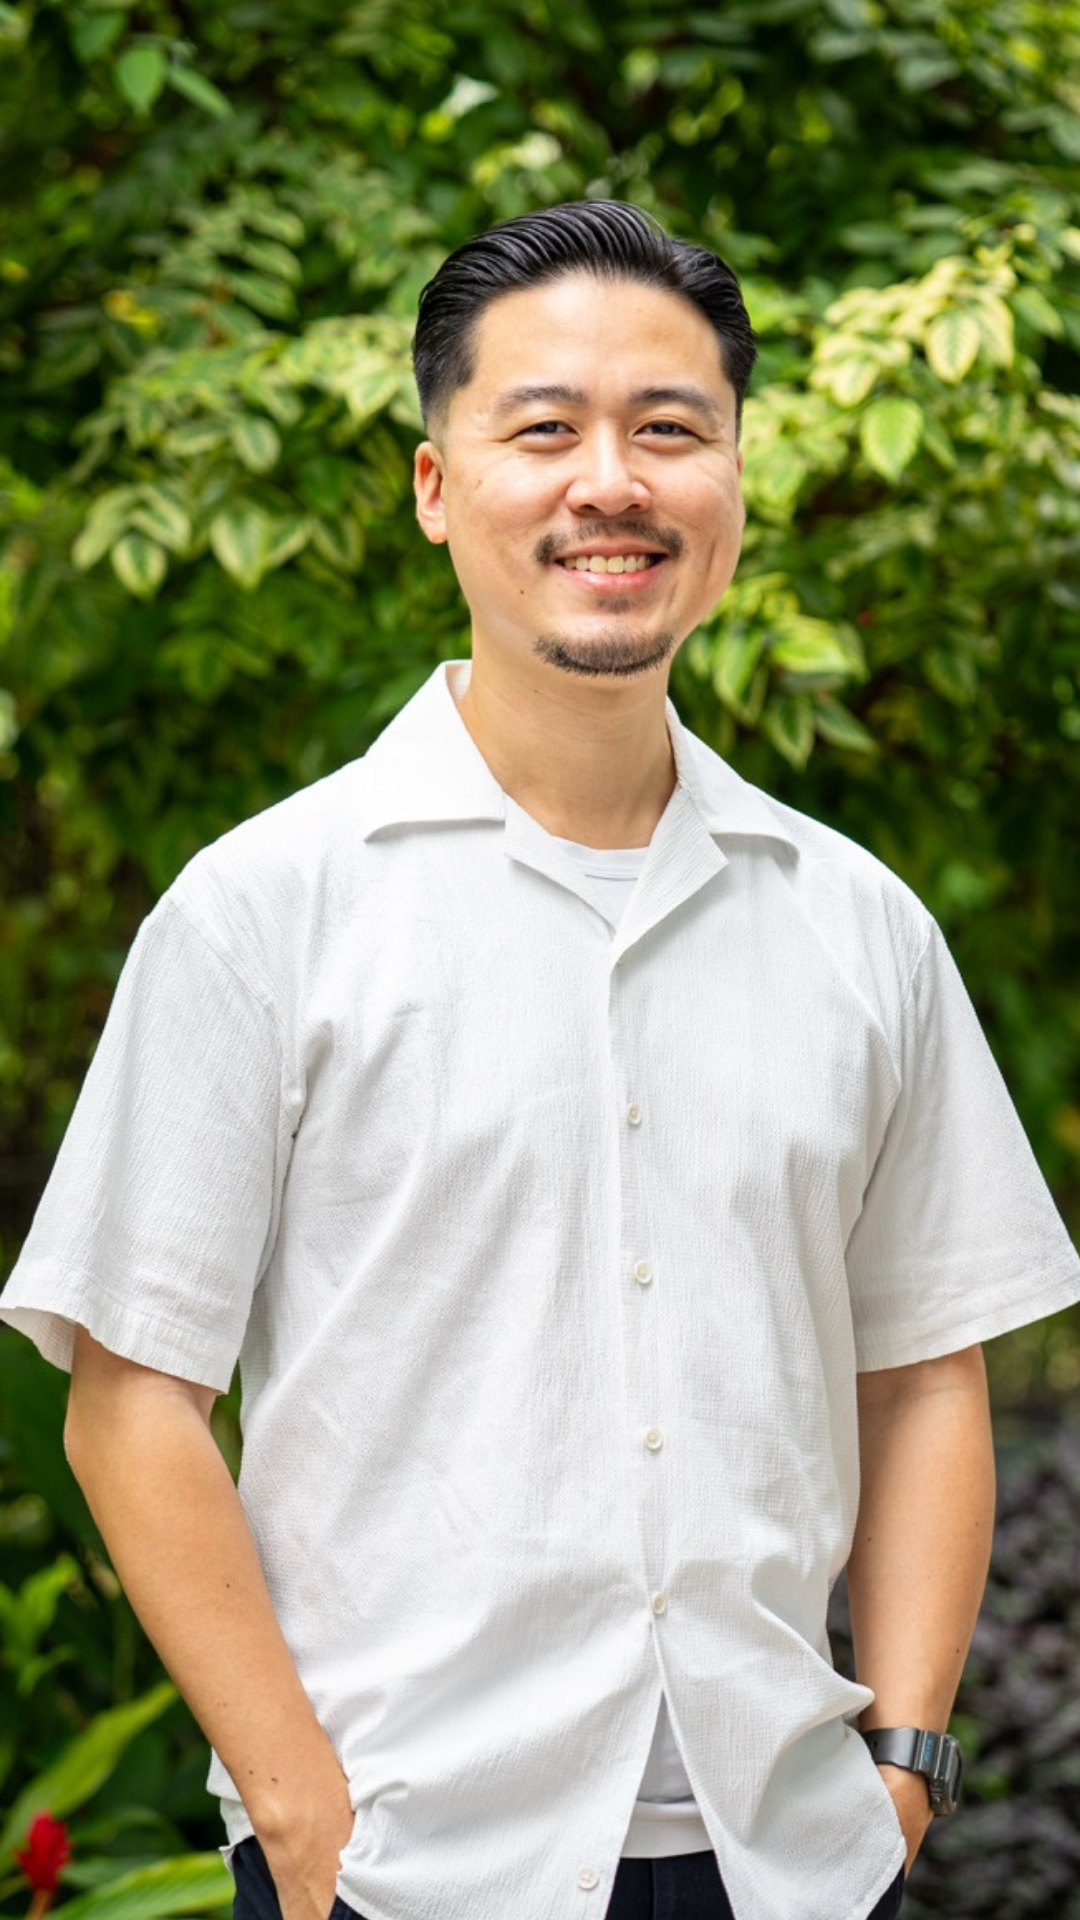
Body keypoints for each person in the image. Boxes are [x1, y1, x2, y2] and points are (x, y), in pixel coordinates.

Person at [2, 200, 1078, 1920]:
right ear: (438, 487)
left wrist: (905, 1768)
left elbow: (925, 1371)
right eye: (545, 428)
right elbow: (132, 1400)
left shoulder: (858, 925)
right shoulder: (262, 913)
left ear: (736, 480)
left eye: (670, 429)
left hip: (789, 1861)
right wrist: (299, 1814)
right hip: (402, 1868)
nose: (612, 483)